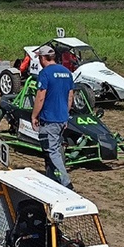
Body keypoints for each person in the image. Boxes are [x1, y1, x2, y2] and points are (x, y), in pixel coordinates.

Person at [30, 45, 74, 188]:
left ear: (43, 58)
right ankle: (51, 180)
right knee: (52, 149)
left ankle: (66, 183)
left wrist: (34, 116)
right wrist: (65, 116)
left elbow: (40, 97)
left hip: (49, 119)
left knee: (52, 151)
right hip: (62, 118)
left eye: (39, 58)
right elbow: (70, 97)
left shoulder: (45, 73)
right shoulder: (67, 73)